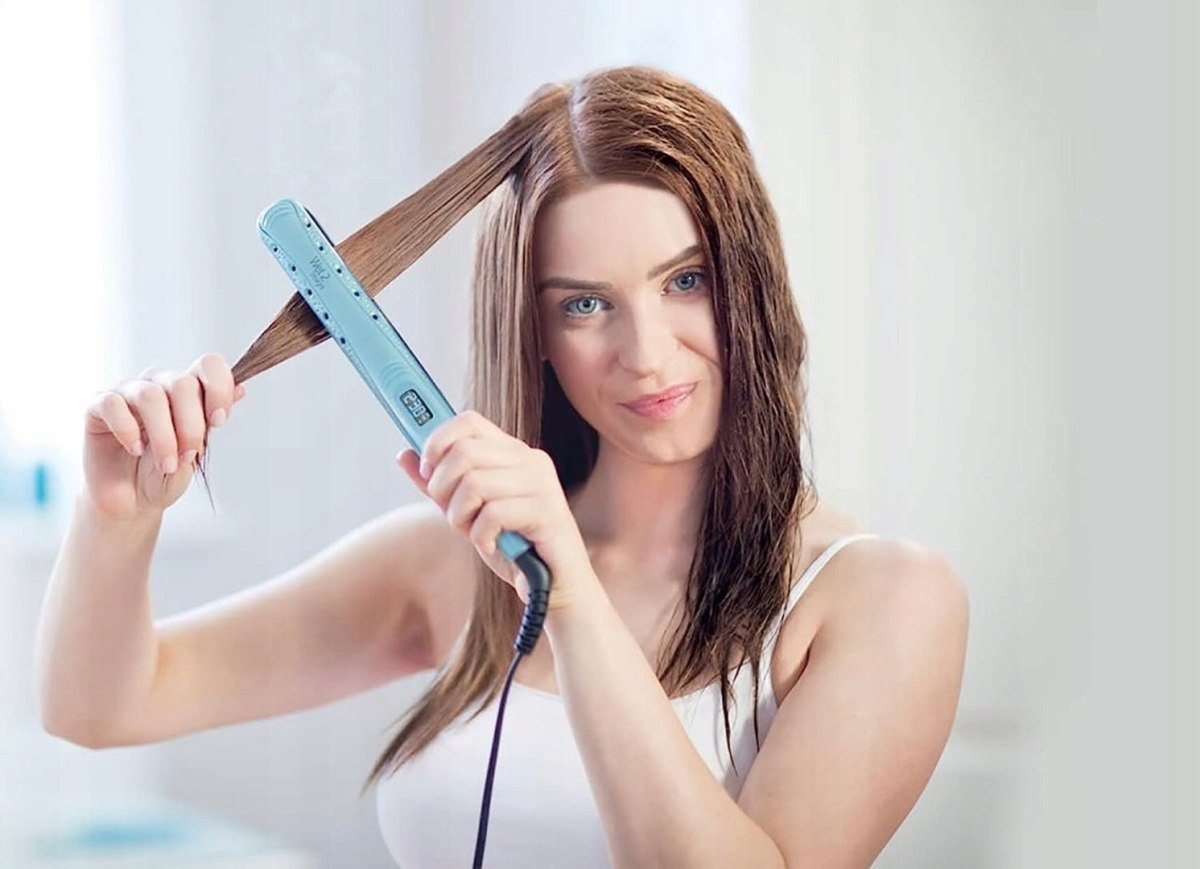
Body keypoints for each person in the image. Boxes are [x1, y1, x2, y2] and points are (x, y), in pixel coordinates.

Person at [35, 66, 969, 867]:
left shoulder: (878, 598)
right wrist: (118, 517)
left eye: (686, 280)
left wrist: (572, 603)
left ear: (751, 280)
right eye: (585, 305)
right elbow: (101, 705)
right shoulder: (454, 562)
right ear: (537, 335)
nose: (647, 355)